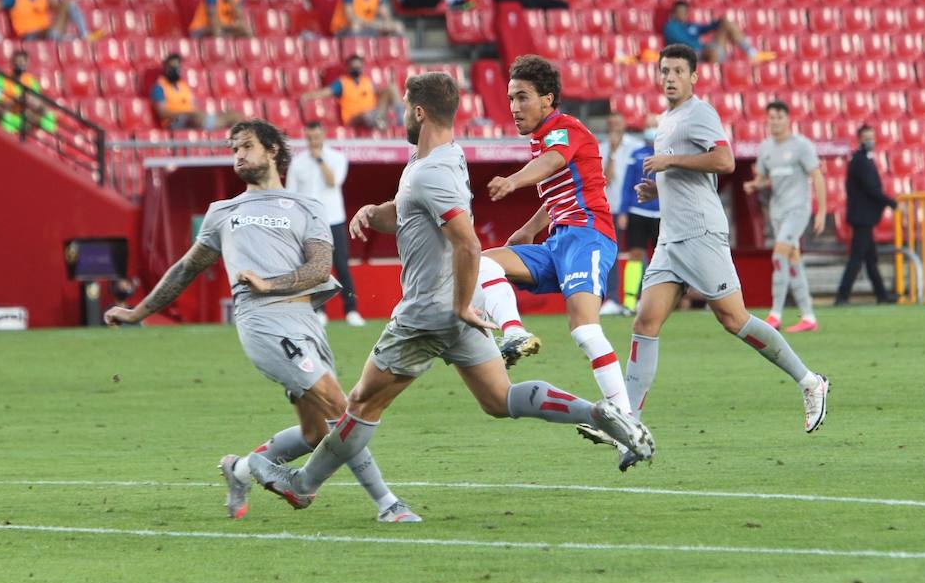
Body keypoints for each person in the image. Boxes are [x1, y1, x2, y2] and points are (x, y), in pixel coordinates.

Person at [244, 71, 654, 509]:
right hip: (459, 310)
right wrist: (372, 212)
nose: (401, 114)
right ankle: (598, 413)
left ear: (419, 112)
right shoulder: (444, 158)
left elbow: (468, 242)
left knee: (361, 404)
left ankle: (302, 485)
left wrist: (459, 304)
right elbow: (411, 212)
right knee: (500, 399)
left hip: (427, 311)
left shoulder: (431, 172)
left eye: (404, 107)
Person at [103, 119, 420, 523]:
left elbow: (321, 267)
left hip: (304, 319)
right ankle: (387, 504)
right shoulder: (224, 212)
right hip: (263, 322)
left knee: (316, 432)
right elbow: (185, 269)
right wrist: (137, 311)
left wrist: (271, 281)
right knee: (340, 407)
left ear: (272, 150)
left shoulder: (307, 206)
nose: (238, 154)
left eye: (247, 146)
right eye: (234, 148)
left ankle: (239, 469)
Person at [585, 44, 830, 471]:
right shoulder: (666, 121)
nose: (670, 77)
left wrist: (668, 162)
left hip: (701, 232)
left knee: (733, 319)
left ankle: (810, 382)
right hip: (672, 237)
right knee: (645, 322)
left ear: (694, 76)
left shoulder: (700, 113)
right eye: (664, 71)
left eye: (678, 71)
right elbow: (690, 177)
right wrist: (657, 187)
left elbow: (725, 160)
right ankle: (629, 426)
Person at [472, 55, 631, 423]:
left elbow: (554, 162)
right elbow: (563, 187)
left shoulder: (564, 129)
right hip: (557, 242)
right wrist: (530, 228)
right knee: (481, 263)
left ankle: (626, 415)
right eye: (511, 98)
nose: (514, 107)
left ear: (547, 99)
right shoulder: (542, 138)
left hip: (588, 237)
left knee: (586, 330)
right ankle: (513, 332)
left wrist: (513, 181)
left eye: (523, 97)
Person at [744, 101, 827, 332]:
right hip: (777, 211)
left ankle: (775, 314)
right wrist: (754, 185)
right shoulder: (765, 148)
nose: (775, 121)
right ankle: (808, 316)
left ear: (788, 119)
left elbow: (817, 176)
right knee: (792, 262)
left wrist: (820, 211)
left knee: (778, 256)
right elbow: (763, 178)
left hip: (797, 210)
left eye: (779, 117)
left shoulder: (802, 146)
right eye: (771, 117)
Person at [287, 121, 365, 327]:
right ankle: (319, 310)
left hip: (333, 219)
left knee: (341, 265)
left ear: (323, 135)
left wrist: (319, 160)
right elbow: (291, 195)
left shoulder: (337, 158)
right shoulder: (297, 162)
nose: (313, 141)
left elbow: (333, 181)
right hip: (309, 223)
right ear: (306, 137)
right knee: (315, 267)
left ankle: (351, 310)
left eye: (316, 137)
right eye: (310, 137)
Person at [834, 124, 900, 306]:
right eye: (866, 137)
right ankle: (842, 296)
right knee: (856, 258)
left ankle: (882, 295)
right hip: (862, 217)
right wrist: (891, 202)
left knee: (870, 259)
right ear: (860, 139)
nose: (870, 140)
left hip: (864, 217)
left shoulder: (863, 160)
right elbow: (872, 188)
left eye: (872, 136)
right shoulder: (861, 161)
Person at [615, 113, 663, 313]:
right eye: (648, 125)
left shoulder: (668, 155)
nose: (651, 129)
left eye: (654, 125)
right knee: (635, 255)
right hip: (637, 212)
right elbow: (627, 185)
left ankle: (658, 302)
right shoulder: (635, 154)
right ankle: (629, 301)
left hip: (661, 213)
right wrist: (623, 211)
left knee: (662, 258)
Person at [598, 112, 642, 315]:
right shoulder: (602, 148)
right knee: (610, 255)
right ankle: (614, 299)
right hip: (609, 209)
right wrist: (613, 153)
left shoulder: (635, 146)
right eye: (611, 124)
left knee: (638, 252)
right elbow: (605, 178)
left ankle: (639, 298)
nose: (614, 127)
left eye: (618, 123)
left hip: (632, 208)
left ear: (625, 125)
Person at [299, 55, 402, 130]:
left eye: (358, 67)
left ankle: (401, 120)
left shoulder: (367, 81)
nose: (356, 69)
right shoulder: (342, 83)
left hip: (373, 113)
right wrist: (307, 96)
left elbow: (379, 93)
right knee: (365, 116)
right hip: (354, 117)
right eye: (353, 67)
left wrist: (386, 95)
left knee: (392, 88)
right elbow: (325, 92)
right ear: (348, 68)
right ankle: (379, 121)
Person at [662, 0, 772, 64]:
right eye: (680, 12)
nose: (683, 14)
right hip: (691, 54)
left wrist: (719, 22)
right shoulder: (670, 27)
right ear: (674, 13)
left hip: (704, 50)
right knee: (711, 52)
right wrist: (702, 46)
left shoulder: (690, 26)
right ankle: (717, 77)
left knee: (726, 23)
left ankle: (751, 52)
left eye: (684, 12)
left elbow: (706, 28)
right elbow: (680, 42)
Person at [149, 53, 239, 131]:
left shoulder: (184, 86)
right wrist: (187, 113)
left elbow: (193, 106)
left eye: (177, 67)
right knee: (195, 117)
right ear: (166, 68)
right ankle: (218, 125)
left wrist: (196, 112)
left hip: (192, 117)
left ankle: (221, 123)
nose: (174, 70)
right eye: (171, 67)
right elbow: (163, 113)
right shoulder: (159, 88)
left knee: (233, 115)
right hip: (174, 121)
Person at [0, 50, 57, 135]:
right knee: (6, 118)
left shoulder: (31, 81)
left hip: (25, 117)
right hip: (8, 117)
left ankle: (49, 142)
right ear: (12, 63)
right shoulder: (0, 80)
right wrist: (15, 100)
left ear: (27, 63)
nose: (20, 65)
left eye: (23, 62)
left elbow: (41, 103)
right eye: (18, 62)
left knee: (48, 115)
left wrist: (35, 103)